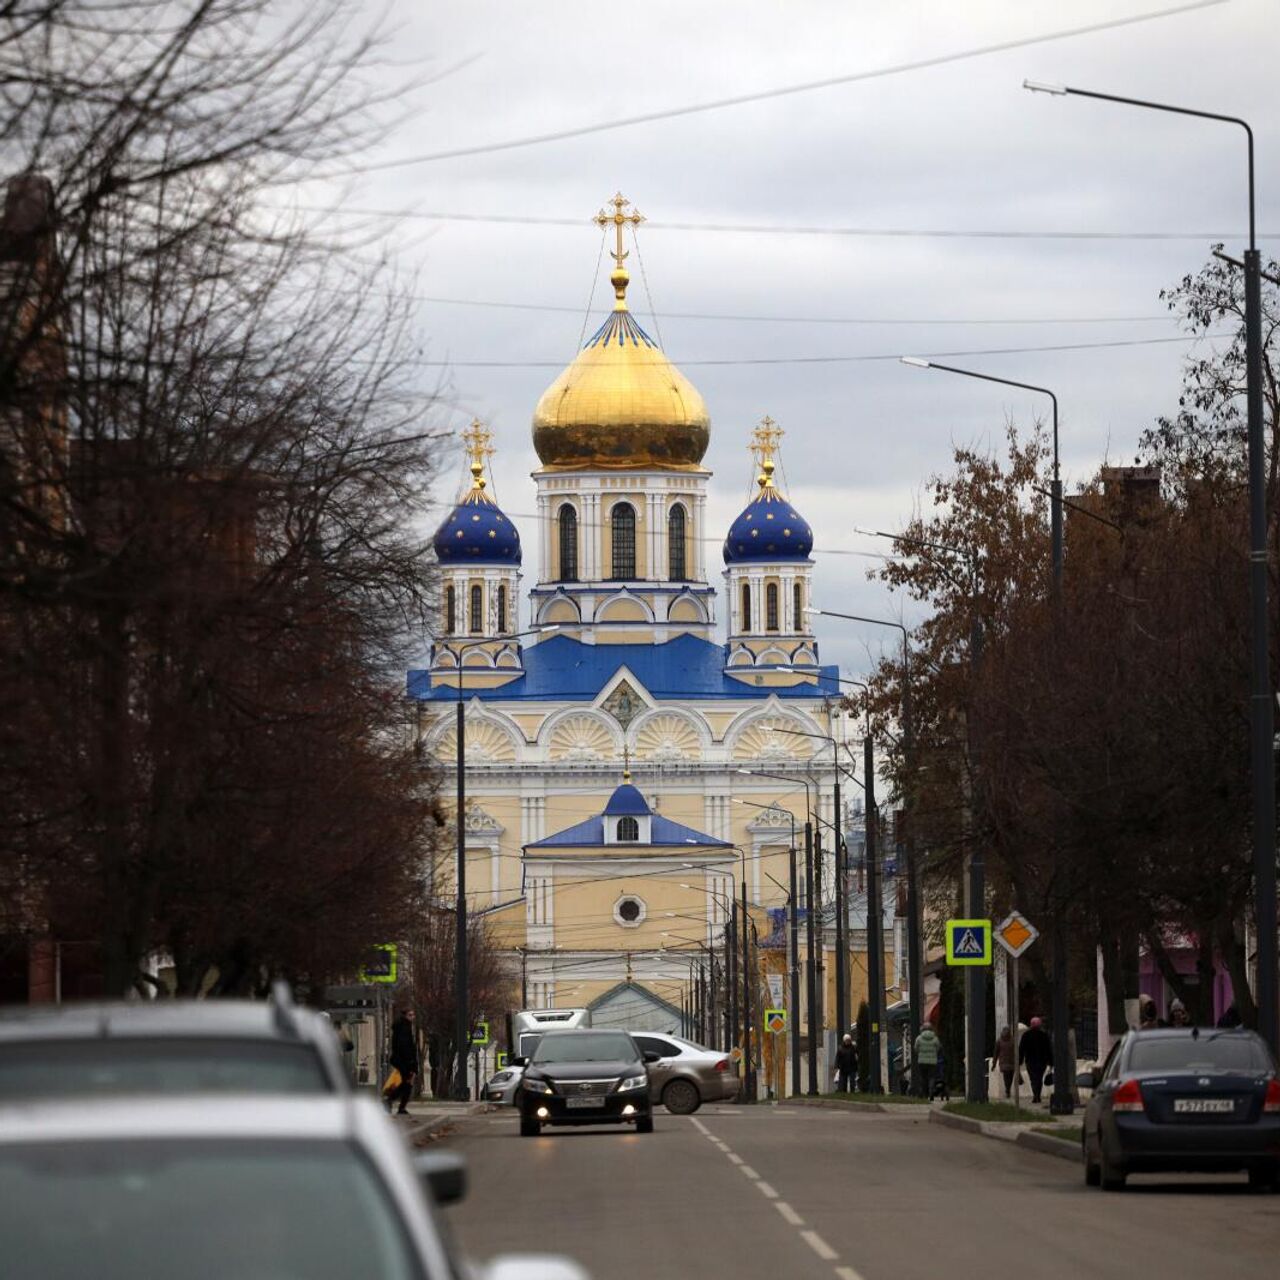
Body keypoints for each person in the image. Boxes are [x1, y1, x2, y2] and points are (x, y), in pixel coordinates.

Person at [386, 1006, 418, 1116]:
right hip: (405, 1061)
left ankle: (397, 1104)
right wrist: (411, 1062)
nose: (412, 1017)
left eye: (413, 1015)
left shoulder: (402, 1027)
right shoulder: (404, 1027)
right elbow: (405, 1046)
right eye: (410, 1015)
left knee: (406, 1083)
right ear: (405, 1016)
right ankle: (391, 1101)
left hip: (402, 1060)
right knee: (407, 1083)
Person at [1018, 1016, 1053, 1104]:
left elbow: (1021, 1049)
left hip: (1030, 1061)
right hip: (1042, 1061)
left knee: (1033, 1078)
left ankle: (1036, 1095)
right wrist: (1051, 1061)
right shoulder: (1044, 1035)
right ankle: (1037, 1095)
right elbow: (1048, 1049)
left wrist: (1020, 1060)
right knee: (1039, 1078)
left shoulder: (1026, 1035)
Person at [913, 1024, 941, 1098]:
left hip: (922, 1061)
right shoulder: (935, 1038)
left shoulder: (919, 1038)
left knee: (923, 1077)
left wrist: (920, 1053)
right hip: (932, 1061)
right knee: (932, 1076)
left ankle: (924, 1093)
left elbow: (916, 1048)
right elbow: (938, 1047)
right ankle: (931, 1089)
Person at [994, 1025, 1016, 1098]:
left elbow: (996, 1053)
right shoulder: (1013, 1041)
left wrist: (994, 1064)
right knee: (1010, 1077)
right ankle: (1008, 1089)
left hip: (1003, 1063)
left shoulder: (999, 1041)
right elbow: (1016, 1052)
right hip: (1012, 1062)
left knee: (1006, 1077)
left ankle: (1007, 1090)